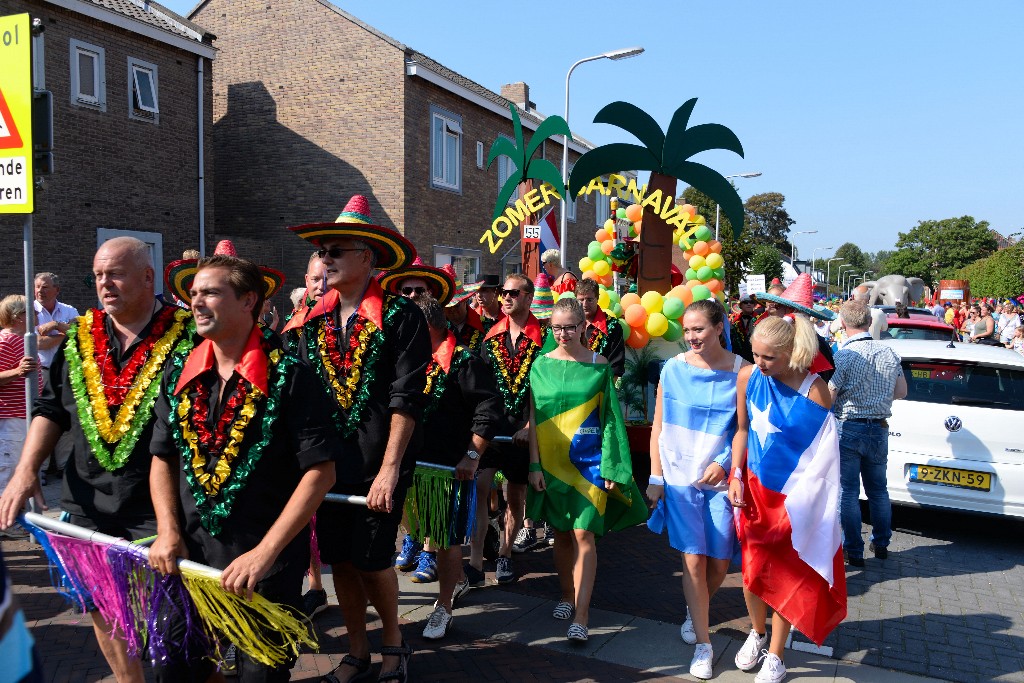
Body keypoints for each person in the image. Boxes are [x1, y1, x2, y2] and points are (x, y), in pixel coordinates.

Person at [0, 237, 193, 683]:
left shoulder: (186, 337)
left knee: (174, 616)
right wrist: (26, 468)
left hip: (163, 504)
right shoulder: (79, 339)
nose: (105, 284)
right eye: (98, 276)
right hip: (87, 498)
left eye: (116, 274)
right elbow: (51, 409)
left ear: (148, 277)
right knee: (102, 605)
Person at [148, 255, 338, 681]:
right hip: (188, 560)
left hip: (263, 570)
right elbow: (162, 456)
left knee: (260, 677)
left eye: (210, 292)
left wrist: (264, 554)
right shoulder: (178, 373)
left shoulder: (291, 376)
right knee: (174, 669)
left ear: (249, 300)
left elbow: (321, 472)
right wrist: (167, 530)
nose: (196, 302)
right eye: (193, 294)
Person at [289, 195, 428, 683]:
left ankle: (393, 642)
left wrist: (390, 468)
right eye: (322, 252)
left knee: (373, 561)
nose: (325, 259)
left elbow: (406, 397)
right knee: (340, 564)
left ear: (366, 257)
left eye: (336, 251)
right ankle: (356, 650)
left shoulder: (401, 317)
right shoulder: (312, 320)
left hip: (378, 465)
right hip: (328, 466)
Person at [729, 315, 846, 683]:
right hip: (754, 491)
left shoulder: (815, 390)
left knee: (785, 575)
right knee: (751, 574)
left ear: (791, 353)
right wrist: (734, 474)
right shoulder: (748, 377)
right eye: (754, 354)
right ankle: (757, 632)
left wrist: (814, 508)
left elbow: (824, 457)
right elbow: (742, 431)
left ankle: (776, 654)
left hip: (796, 500)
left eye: (768, 358)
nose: (759, 364)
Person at [527, 297, 645, 643]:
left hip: (589, 464)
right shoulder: (539, 365)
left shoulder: (599, 366)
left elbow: (610, 419)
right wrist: (534, 464)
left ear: (583, 328)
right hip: (550, 464)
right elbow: (533, 418)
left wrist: (611, 464)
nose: (563, 333)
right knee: (562, 533)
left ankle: (582, 614)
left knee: (584, 533)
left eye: (570, 327)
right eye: (557, 327)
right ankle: (566, 594)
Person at [647, 299, 748, 679]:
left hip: (721, 482)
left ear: (719, 327)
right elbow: (658, 426)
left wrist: (723, 463)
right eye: (687, 330)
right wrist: (656, 478)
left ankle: (696, 607)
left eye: (699, 329)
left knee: (719, 560)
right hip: (678, 478)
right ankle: (704, 645)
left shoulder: (743, 371)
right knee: (692, 559)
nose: (691, 337)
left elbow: (745, 430)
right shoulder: (671, 369)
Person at [412, 296, 503, 640]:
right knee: (421, 534)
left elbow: (488, 408)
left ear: (429, 326)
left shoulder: (464, 360)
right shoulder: (410, 360)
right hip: (412, 467)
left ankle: (444, 608)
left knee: (445, 540)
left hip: (446, 470)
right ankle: (458, 581)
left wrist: (472, 454)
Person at [379, 259, 455, 584]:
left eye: (418, 291)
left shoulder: (455, 348)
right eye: (405, 290)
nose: (410, 295)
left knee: (432, 495)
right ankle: (411, 539)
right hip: (401, 430)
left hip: (437, 435)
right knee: (405, 496)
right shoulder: (389, 333)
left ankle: (430, 551)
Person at [470, 273, 543, 586]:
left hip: (522, 434)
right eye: (503, 293)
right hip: (491, 430)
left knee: (515, 497)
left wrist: (530, 425)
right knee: (479, 488)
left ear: (528, 297)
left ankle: (504, 553)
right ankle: (474, 560)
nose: (505, 298)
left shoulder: (544, 338)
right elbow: (482, 388)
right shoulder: (491, 337)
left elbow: (545, 390)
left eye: (513, 292)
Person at [829, 301, 907, 567]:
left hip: (849, 426)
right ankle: (882, 543)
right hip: (879, 427)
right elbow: (901, 391)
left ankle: (854, 549)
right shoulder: (889, 352)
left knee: (848, 491)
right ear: (869, 322)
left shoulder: (843, 356)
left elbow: (830, 395)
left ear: (843, 323)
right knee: (878, 489)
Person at [0, 296, 43, 529]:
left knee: (20, 470)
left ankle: (15, 521)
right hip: (11, 420)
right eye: (32, 312)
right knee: (8, 473)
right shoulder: (6, 341)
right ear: (18, 317)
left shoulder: (21, 341)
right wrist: (17, 371)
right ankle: (6, 524)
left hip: (23, 417)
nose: (37, 316)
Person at [757, 273, 836, 383]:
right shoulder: (817, 342)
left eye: (778, 306)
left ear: (791, 312)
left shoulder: (815, 345)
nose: (773, 310)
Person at [574, 278, 625, 378]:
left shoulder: (613, 326)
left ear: (597, 298)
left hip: (600, 386)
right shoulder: (569, 324)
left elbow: (616, 368)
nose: (585, 304)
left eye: (589, 300)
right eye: (581, 300)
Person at [33, 272, 80, 372]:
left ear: (57, 290)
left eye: (45, 287)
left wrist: (56, 324)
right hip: (40, 371)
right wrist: (67, 334)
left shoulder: (70, 311)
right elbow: (38, 343)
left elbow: (81, 335)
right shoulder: (28, 312)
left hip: (67, 371)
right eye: (37, 287)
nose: (40, 291)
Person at [441, 265, 485, 352]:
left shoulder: (486, 326)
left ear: (465, 301)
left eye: (456, 305)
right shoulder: (437, 329)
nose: (452, 310)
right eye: (448, 306)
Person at [729, 294, 757, 363]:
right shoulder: (734, 321)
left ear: (754, 305)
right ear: (740, 305)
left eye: (751, 302)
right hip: (739, 358)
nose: (749, 304)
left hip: (755, 357)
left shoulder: (760, 319)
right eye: (745, 302)